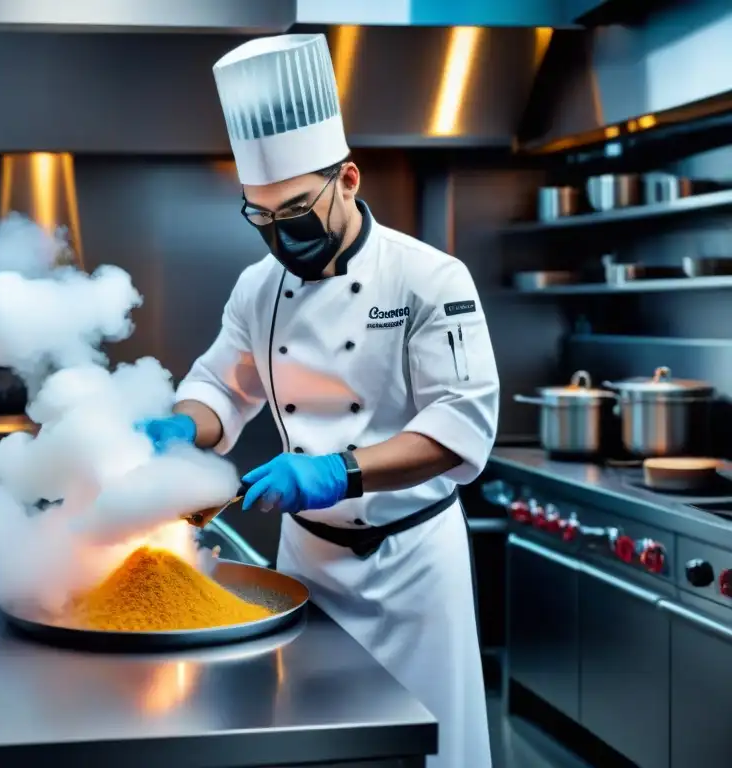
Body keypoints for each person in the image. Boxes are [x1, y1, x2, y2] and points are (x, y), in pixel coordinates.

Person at [141, 33, 497, 768]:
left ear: (349, 179)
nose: (281, 234)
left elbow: (460, 427)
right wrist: (183, 426)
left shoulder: (430, 279)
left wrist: (334, 472)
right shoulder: (257, 288)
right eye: (261, 217)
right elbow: (222, 388)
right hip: (306, 562)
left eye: (296, 210)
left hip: (412, 568)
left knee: (428, 746)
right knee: (316, 742)